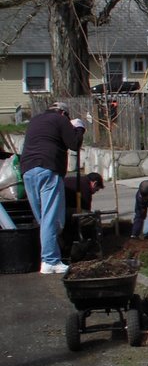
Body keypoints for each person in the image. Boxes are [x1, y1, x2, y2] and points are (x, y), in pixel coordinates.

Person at [20, 101, 86, 274]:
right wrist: (79, 128)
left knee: (43, 218)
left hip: (27, 170)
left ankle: (50, 253)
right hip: (48, 168)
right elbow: (74, 144)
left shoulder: (35, 120)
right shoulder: (60, 119)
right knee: (50, 217)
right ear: (63, 113)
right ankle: (50, 261)